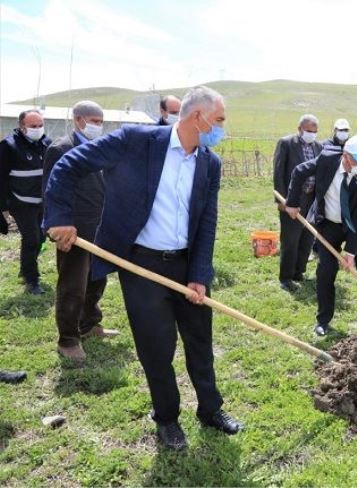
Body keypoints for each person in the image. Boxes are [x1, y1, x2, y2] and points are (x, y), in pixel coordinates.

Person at [44, 86, 242, 450]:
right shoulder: (137, 141)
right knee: (156, 346)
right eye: (219, 120)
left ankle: (210, 410)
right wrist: (60, 216)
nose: (221, 129)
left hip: (186, 265)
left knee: (200, 340)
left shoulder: (209, 162)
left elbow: (207, 221)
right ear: (197, 117)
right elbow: (69, 164)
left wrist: (199, 274)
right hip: (141, 264)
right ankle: (166, 418)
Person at [42, 101, 119, 362]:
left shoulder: (99, 149)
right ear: (77, 120)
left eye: (101, 121)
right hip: (73, 229)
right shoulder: (61, 149)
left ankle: (89, 325)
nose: (98, 125)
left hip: (100, 226)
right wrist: (56, 227)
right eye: (93, 120)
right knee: (73, 284)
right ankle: (68, 339)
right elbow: (51, 191)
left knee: (98, 279)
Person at [283, 135, 357, 336]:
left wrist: (351, 252)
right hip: (329, 223)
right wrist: (292, 202)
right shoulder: (327, 159)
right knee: (325, 272)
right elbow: (299, 171)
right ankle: (323, 320)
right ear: (345, 156)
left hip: (355, 226)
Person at [0, 109, 51, 294]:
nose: (37, 129)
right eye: (32, 126)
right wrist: (3, 207)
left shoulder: (46, 143)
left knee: (42, 237)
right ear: (22, 127)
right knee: (31, 238)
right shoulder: (9, 145)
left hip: (41, 201)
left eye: (40, 125)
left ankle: (25, 268)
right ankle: (32, 279)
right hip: (20, 202)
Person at [272, 114, 323, 291]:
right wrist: (281, 200)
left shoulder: (319, 146)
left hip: (311, 199)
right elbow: (279, 173)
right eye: (309, 130)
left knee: (307, 237)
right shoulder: (286, 143)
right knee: (291, 239)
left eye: (315, 131)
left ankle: (298, 272)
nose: (312, 134)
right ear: (299, 128)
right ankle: (285, 277)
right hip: (292, 200)